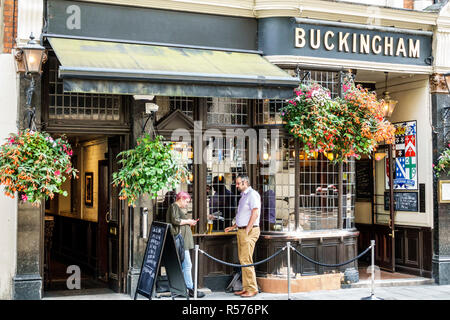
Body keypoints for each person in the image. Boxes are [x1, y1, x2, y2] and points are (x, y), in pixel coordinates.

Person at [224, 174, 261, 298]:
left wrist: (247, 229)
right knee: (243, 260)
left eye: (239, 183)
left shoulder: (252, 195)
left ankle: (252, 288)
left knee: (246, 260)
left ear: (245, 182)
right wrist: (234, 227)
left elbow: (255, 213)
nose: (237, 185)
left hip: (248, 231)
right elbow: (243, 215)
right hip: (242, 230)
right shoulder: (243, 196)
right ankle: (246, 288)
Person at [166, 191, 205, 298]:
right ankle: (190, 289)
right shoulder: (174, 206)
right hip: (181, 241)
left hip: (182, 241)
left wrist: (188, 222)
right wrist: (188, 221)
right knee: (187, 265)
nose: (187, 204)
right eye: (186, 201)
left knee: (185, 265)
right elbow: (175, 220)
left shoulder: (175, 207)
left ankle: (186, 289)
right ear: (181, 198)